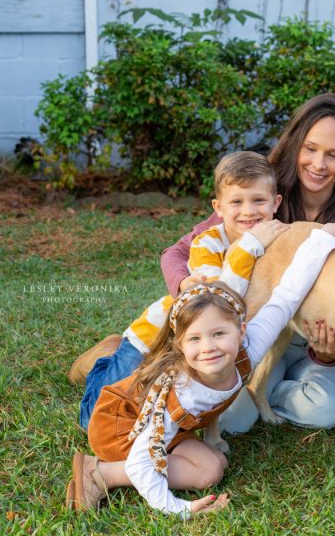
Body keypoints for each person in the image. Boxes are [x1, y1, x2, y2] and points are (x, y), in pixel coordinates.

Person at [67, 227, 335, 515]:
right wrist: (183, 510)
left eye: (218, 333)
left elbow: (285, 298)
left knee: (216, 463)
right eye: (195, 339)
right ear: (180, 344)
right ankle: (100, 472)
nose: (209, 347)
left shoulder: (248, 349)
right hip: (121, 427)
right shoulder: (182, 394)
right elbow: (142, 462)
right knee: (207, 473)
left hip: (167, 426)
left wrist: (322, 240)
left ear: (241, 330)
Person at [161, 94, 335, 432]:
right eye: (310, 148)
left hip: (317, 342)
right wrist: (187, 285)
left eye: (333, 155)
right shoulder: (256, 196)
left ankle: (269, 390)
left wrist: (327, 353)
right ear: (295, 144)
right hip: (259, 332)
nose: (318, 163)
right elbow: (176, 254)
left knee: (325, 412)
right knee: (230, 420)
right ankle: (258, 392)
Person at [71, 151, 287, 429]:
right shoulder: (206, 244)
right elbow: (217, 301)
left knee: (150, 414)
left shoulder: (275, 243)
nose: (249, 211)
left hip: (198, 350)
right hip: (155, 339)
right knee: (96, 421)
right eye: (237, 202)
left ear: (276, 203)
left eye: (259, 200)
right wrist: (250, 246)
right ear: (218, 207)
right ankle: (102, 363)